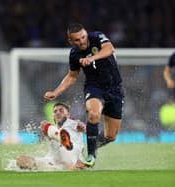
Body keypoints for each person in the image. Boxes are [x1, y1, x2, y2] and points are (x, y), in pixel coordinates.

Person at [44, 23, 124, 167]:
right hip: (94, 88)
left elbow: (109, 49)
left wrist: (92, 58)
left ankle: (89, 144)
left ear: (86, 33)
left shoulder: (97, 37)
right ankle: (91, 155)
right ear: (71, 41)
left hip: (115, 89)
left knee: (110, 136)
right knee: (93, 114)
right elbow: (72, 76)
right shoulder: (74, 54)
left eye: (83, 37)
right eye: (77, 40)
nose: (81, 41)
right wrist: (56, 92)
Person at [7, 102, 87, 171]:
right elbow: (43, 126)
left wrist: (86, 129)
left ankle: (61, 166)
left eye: (61, 110)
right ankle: (60, 140)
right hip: (52, 160)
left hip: (72, 158)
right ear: (53, 116)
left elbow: (85, 127)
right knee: (21, 160)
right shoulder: (51, 128)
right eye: (55, 111)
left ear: (68, 115)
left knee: (65, 152)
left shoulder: (73, 123)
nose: (58, 113)